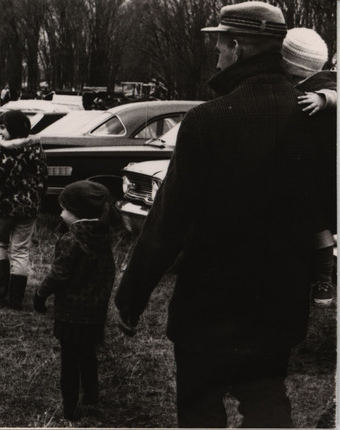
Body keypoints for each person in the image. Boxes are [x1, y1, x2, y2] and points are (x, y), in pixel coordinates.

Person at [113, 2, 322, 427]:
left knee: (200, 407)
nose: (216, 55)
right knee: (266, 401)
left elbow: (168, 222)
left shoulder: (208, 121)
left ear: (239, 48)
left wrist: (131, 296)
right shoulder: (316, 120)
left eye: (220, 45)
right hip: (278, 306)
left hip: (210, 308)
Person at [33, 180, 119, 421]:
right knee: (88, 355)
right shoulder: (102, 237)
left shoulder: (72, 240)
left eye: (64, 209)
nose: (60, 213)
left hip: (71, 314)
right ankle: (91, 398)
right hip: (94, 314)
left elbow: (58, 274)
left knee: (69, 362)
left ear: (77, 213)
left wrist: (40, 294)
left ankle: (70, 409)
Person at [280, 27, 337, 307]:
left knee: (319, 227)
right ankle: (320, 278)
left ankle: (324, 279)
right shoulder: (296, 89)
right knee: (317, 227)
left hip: (322, 174)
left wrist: (325, 98)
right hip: (313, 171)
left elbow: (336, 90)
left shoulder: (323, 85)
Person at [0, 110, 47, 309]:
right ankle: (16, 299)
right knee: (21, 250)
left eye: (3, 128)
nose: (0, 133)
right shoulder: (37, 149)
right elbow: (43, 179)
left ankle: (1, 293)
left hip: (4, 209)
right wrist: (37, 200)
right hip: (28, 209)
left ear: (12, 129)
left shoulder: (4, 152)